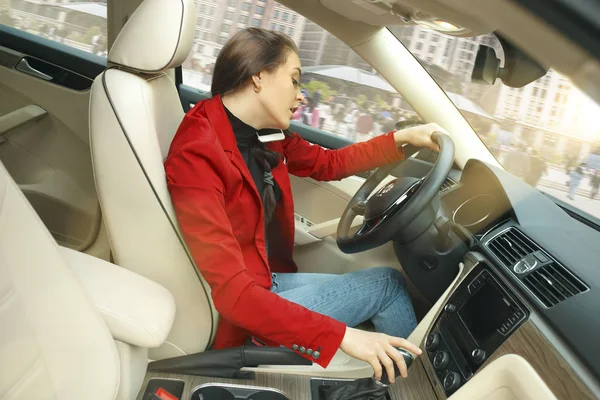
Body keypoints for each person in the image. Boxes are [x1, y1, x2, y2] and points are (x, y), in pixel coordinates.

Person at [165, 28, 444, 383]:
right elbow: (234, 295)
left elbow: (329, 164)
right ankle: (415, 389)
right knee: (387, 288)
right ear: (258, 77)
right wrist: (344, 336)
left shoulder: (261, 131)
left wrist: (401, 140)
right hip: (245, 312)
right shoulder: (197, 154)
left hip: (266, 279)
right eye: (295, 81)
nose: (301, 97)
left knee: (388, 281)